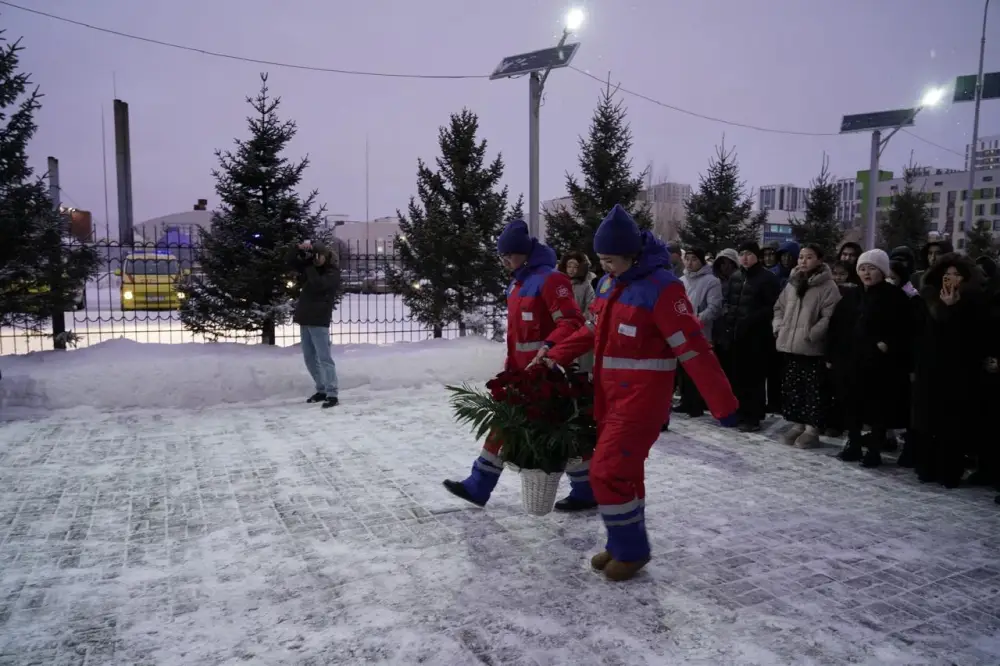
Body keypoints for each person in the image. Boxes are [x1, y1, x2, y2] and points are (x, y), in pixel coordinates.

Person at [534, 204, 738, 581]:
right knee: (626, 474)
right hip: (609, 398)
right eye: (601, 260)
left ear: (632, 254)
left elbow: (694, 350)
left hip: (642, 401)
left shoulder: (664, 290)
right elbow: (591, 331)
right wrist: (555, 355)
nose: (604, 267)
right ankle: (620, 542)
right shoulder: (611, 285)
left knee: (606, 471)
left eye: (610, 260)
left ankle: (631, 549)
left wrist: (722, 404)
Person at [442, 220, 587, 509]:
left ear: (525, 252)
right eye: (501, 256)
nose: (505, 260)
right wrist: (510, 369)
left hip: (546, 373)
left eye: (510, 255)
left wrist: (549, 350)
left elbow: (572, 322)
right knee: (526, 428)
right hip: (520, 374)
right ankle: (586, 489)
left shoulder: (551, 280)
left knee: (532, 429)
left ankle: (479, 485)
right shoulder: (517, 284)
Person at [825, 249, 913, 468]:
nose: (866, 273)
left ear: (882, 271)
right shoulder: (852, 296)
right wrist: (831, 354)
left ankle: (874, 449)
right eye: (862, 268)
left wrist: (887, 344)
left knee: (878, 408)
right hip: (851, 361)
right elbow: (836, 326)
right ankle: (853, 443)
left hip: (880, 364)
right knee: (851, 404)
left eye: (872, 268)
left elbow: (906, 329)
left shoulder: (895, 297)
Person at [910, 253, 990, 488]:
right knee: (928, 420)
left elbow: (971, 340)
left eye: (957, 275)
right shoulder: (927, 299)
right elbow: (921, 336)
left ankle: (950, 470)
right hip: (930, 369)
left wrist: (953, 311)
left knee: (953, 424)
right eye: (947, 274)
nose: (951, 279)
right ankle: (927, 466)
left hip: (959, 372)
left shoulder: (975, 302)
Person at [772, 243, 841, 448]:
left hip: (811, 348)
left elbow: (830, 316)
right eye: (801, 257)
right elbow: (779, 307)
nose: (803, 261)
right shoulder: (792, 282)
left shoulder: (828, 286)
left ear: (819, 260)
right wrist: (778, 327)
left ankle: (812, 429)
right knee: (794, 388)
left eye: (809, 257)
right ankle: (797, 424)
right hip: (789, 344)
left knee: (813, 389)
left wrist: (812, 334)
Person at [714, 241, 782, 432]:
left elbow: (772, 306)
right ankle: (739, 411)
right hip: (735, 335)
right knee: (736, 376)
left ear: (757, 256)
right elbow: (730, 302)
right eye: (742, 253)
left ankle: (753, 416)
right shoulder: (736, 276)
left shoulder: (767, 278)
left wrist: (751, 319)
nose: (745, 257)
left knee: (754, 378)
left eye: (749, 253)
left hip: (757, 337)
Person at [288, 241, 342, 408]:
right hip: (305, 318)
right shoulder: (311, 269)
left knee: (324, 358)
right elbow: (290, 262)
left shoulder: (332, 273)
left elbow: (319, 285)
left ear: (325, 256)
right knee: (309, 358)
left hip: (319, 319)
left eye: (318, 256)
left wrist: (309, 266)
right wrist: (297, 249)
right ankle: (322, 389)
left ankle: (332, 393)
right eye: (315, 256)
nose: (316, 259)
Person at [676, 247, 723, 417]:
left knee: (699, 368)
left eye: (694, 259)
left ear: (701, 261)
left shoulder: (711, 281)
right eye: (687, 258)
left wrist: (695, 322)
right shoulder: (681, 281)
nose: (689, 262)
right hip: (680, 332)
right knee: (683, 368)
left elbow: (714, 307)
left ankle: (697, 404)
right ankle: (686, 401)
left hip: (700, 331)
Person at [558, 251, 597, 373]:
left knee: (583, 366)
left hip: (581, 329)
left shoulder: (586, 286)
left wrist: (579, 320)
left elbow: (591, 307)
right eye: (569, 266)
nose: (572, 270)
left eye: (575, 267)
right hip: (561, 330)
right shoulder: (558, 284)